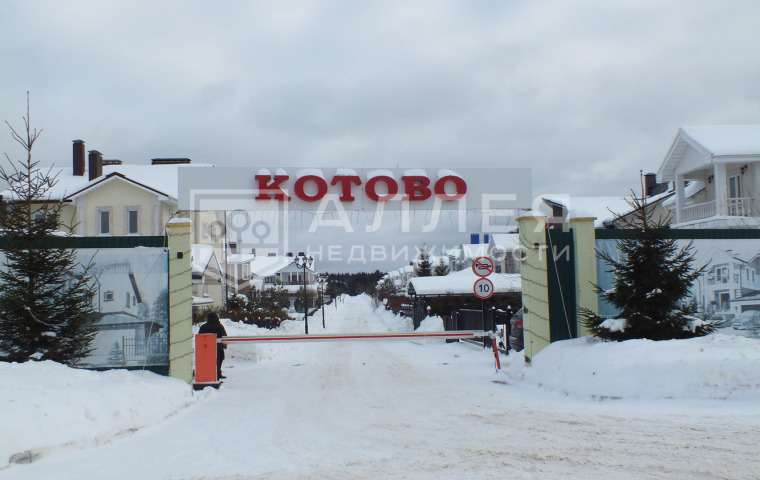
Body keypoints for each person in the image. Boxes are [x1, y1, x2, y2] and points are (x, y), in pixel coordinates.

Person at [198, 312, 228, 379]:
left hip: (206, 348)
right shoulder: (219, 326)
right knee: (219, 360)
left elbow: (200, 337)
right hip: (218, 348)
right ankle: (217, 373)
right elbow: (224, 337)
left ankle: (207, 373)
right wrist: (224, 345)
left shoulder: (203, 327)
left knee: (207, 361)